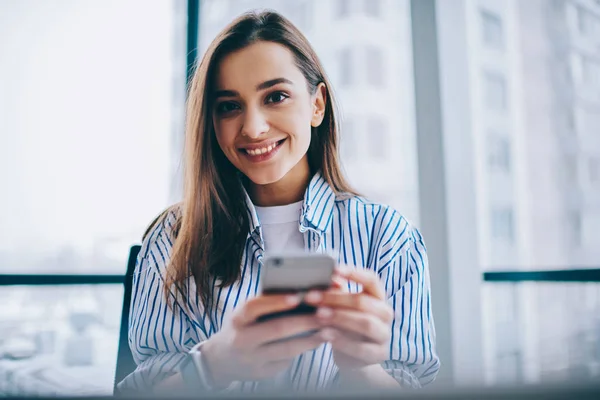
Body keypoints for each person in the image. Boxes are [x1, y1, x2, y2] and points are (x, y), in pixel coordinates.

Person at [117, 10, 439, 394]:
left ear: (317, 105)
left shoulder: (387, 237)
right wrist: (214, 363)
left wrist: (362, 369)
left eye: (276, 97)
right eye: (229, 106)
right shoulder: (171, 241)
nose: (253, 128)